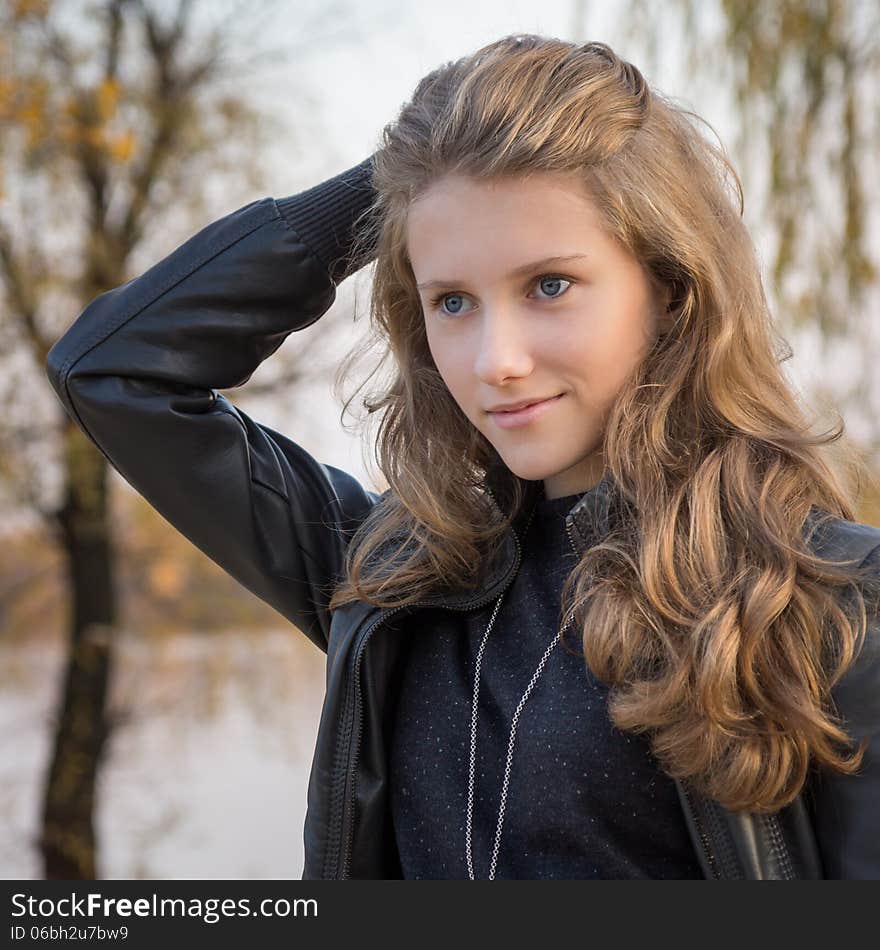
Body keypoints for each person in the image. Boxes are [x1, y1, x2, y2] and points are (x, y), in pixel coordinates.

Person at [46, 35, 880, 879]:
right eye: (452, 300)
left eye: (549, 285)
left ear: (669, 288)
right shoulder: (388, 579)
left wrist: (444, 183)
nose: (495, 361)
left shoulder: (826, 602)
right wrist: (405, 180)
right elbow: (117, 369)